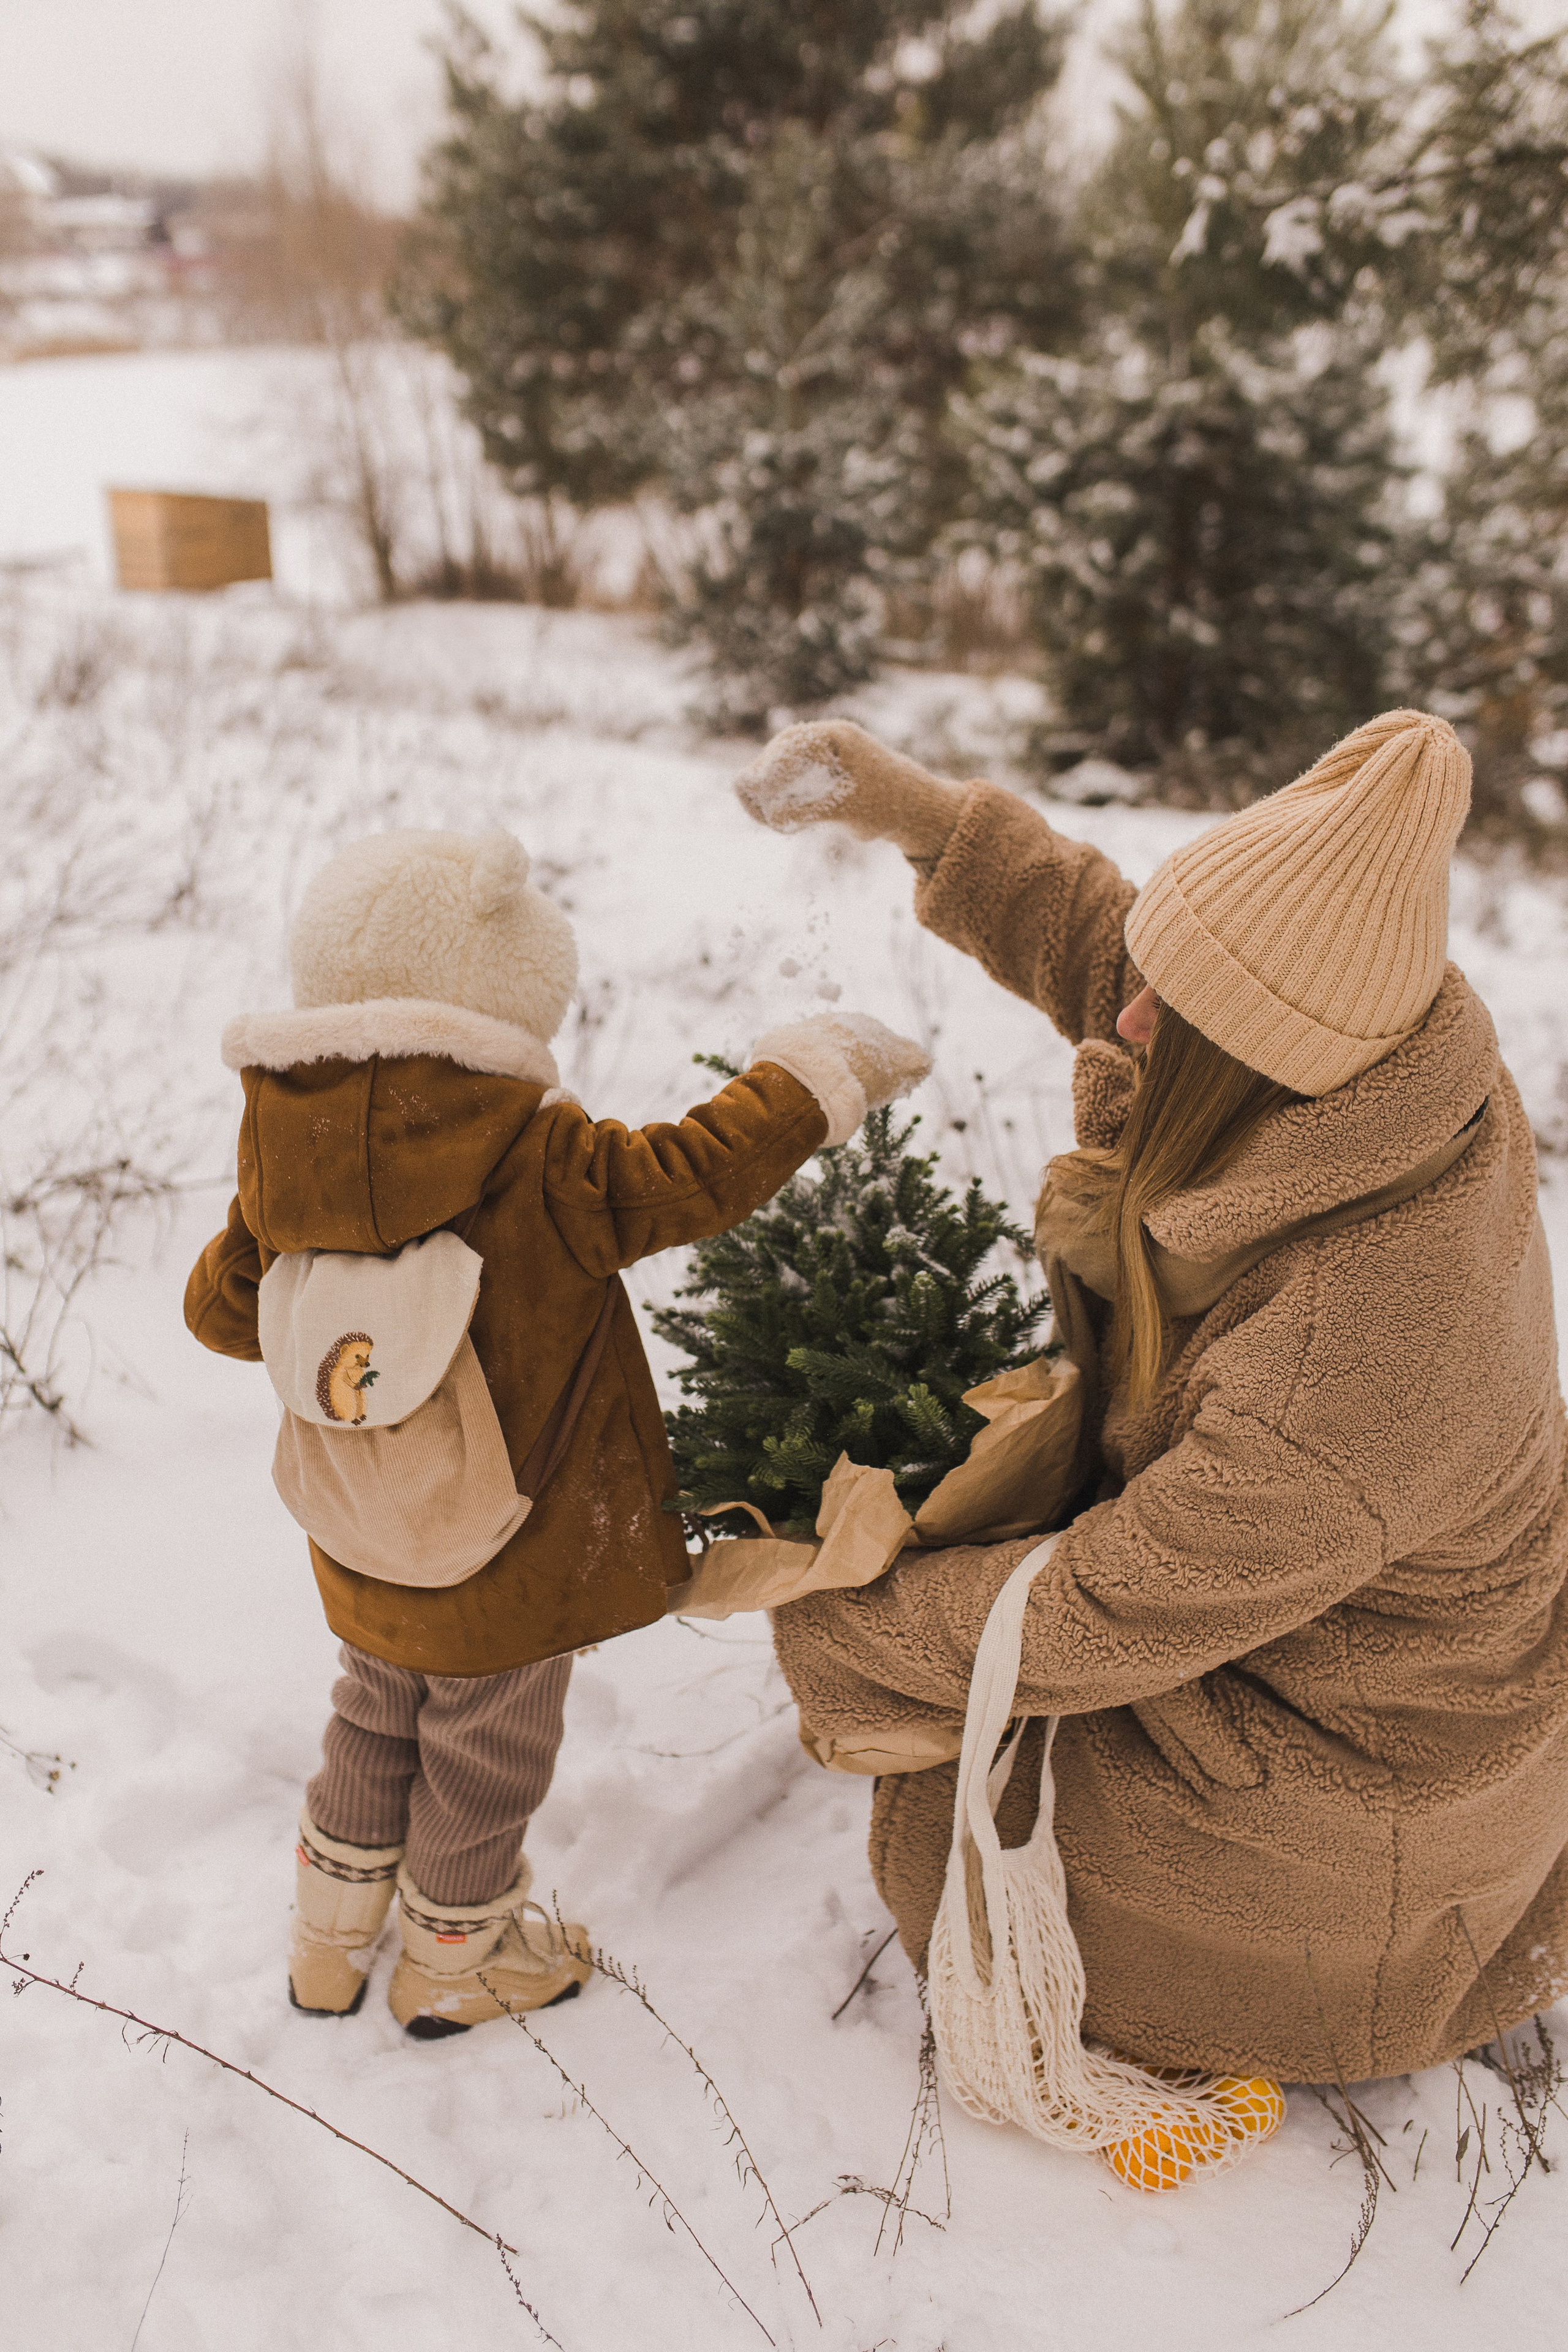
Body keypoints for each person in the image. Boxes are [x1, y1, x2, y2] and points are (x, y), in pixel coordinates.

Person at [736, 710, 1568, 2187]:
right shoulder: (1359, 1058)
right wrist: (924, 815)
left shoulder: (1352, 1355)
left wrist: (841, 1627)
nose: (1124, 1020)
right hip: (1354, 1642)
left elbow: (1109, 1605)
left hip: (1366, 1784)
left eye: (1165, 1021)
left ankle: (1278, 2010)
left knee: (954, 1831)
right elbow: (1123, 956)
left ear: (1260, 1067)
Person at [185, 825, 928, 2037]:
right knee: (484, 1743)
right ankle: (455, 1961)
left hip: (360, 1529)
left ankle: (327, 1947)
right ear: (509, 986)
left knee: (373, 1709)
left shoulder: (283, 1155)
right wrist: (809, 1073)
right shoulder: (533, 1154)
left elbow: (220, 1314)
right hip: (510, 1545)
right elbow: (691, 1175)